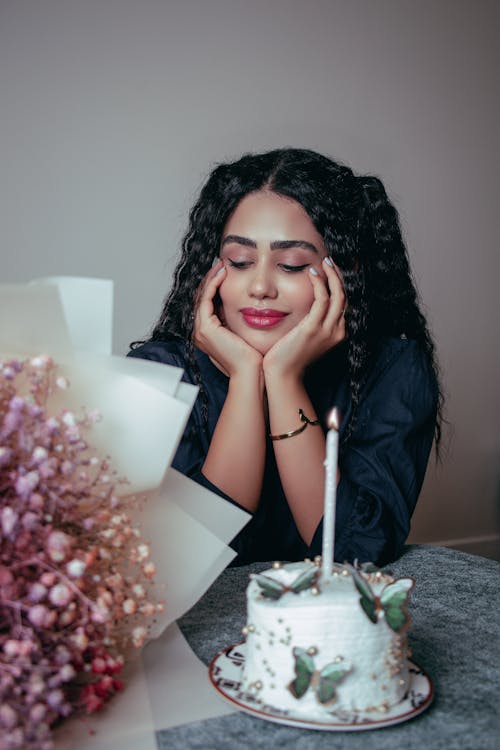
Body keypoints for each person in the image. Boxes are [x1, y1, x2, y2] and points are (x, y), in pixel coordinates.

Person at [128, 148, 443, 567]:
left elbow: (355, 551)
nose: (259, 286)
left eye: (292, 265)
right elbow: (180, 561)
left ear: (342, 271)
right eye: (239, 261)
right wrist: (244, 379)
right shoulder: (160, 374)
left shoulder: (392, 367)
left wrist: (283, 378)